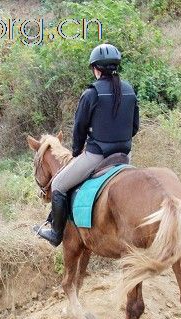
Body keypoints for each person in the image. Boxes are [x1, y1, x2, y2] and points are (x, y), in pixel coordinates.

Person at [36, 43, 140, 247]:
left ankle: (56, 234)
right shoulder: (129, 90)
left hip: (97, 156)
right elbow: (134, 127)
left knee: (58, 185)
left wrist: (76, 152)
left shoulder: (91, 94)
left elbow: (79, 128)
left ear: (96, 68)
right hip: (124, 156)